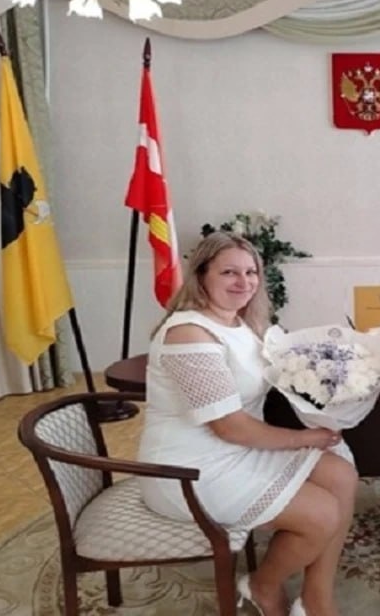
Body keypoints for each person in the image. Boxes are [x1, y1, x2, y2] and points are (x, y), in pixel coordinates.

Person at [138, 232, 358, 616]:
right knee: (322, 514)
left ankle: (317, 597)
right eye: (229, 272)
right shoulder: (189, 333)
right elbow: (229, 428)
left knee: (342, 475)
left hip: (237, 449)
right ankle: (262, 585)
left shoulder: (241, 324)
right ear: (201, 275)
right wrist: (306, 437)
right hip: (189, 468)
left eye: (251, 272)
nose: (244, 282)